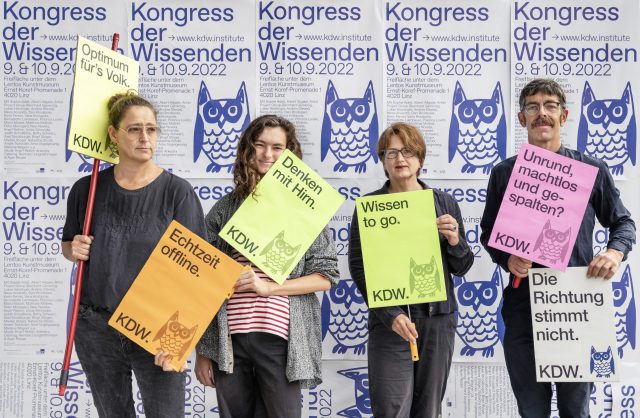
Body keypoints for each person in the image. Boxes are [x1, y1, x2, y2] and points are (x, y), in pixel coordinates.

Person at [480, 78, 636, 418]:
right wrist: (507, 258)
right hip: (523, 307)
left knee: (574, 410)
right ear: (521, 119)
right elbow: (488, 232)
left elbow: (624, 224)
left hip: (575, 303)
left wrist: (613, 252)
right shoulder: (504, 173)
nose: (542, 114)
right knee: (532, 410)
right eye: (532, 107)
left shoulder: (591, 170)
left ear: (564, 116)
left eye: (550, 106)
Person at [61, 92, 206, 417]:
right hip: (96, 326)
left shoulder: (176, 192)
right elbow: (69, 244)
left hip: (157, 327)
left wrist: (175, 341)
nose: (145, 138)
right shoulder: (86, 189)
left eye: (151, 129)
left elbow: (197, 274)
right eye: (134, 129)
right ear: (113, 134)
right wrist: (74, 249)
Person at [195, 114, 339, 418]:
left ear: (289, 155)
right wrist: (203, 351)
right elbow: (201, 278)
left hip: (279, 338)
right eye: (259, 145)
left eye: (277, 147)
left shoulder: (304, 209)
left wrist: (271, 288)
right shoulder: (226, 207)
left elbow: (326, 276)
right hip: (229, 341)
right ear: (248, 150)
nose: (267, 154)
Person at [348, 122, 474, 418]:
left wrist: (455, 240)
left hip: (437, 321)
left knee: (429, 409)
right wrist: (391, 314)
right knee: (391, 408)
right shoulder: (369, 206)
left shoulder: (444, 203)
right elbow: (359, 267)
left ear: (420, 158)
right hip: (390, 322)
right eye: (391, 152)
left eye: (407, 151)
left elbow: (463, 266)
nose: (400, 159)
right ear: (382, 161)